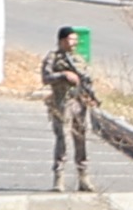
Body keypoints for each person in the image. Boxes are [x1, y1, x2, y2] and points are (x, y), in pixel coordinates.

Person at [42, 25, 102, 191]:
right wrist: (63, 75)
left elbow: (88, 80)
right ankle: (59, 178)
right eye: (70, 39)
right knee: (63, 139)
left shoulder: (79, 59)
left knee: (81, 139)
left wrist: (92, 96)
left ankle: (83, 178)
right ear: (62, 40)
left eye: (76, 40)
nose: (74, 43)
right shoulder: (53, 58)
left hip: (79, 103)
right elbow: (45, 77)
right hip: (62, 103)